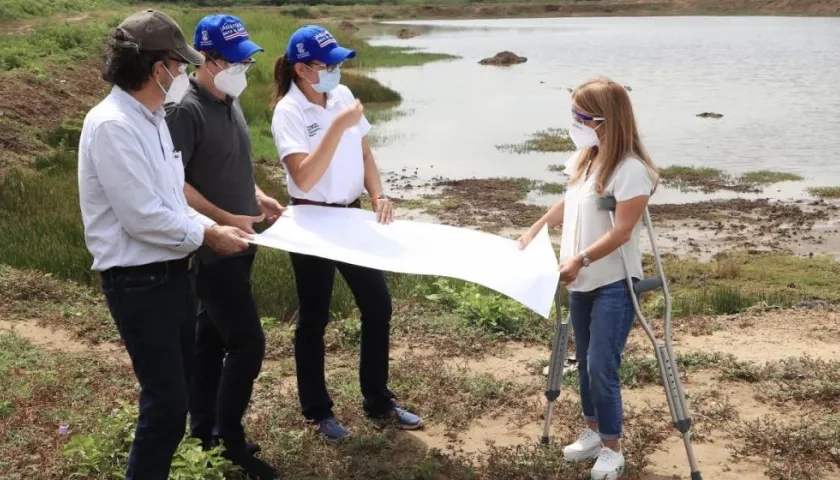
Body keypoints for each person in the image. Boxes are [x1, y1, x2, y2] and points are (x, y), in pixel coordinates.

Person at [77, 9, 252, 480]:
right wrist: (210, 233)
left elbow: (171, 198)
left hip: (175, 276)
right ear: (158, 69)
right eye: (178, 66)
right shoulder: (113, 125)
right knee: (166, 406)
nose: (181, 75)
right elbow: (142, 218)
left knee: (176, 397)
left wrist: (209, 224)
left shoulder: (152, 118)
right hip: (139, 283)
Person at [269, 25, 423, 442]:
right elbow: (302, 177)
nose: (336, 70)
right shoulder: (289, 111)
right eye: (328, 64)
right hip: (312, 221)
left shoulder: (340, 98)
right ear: (303, 69)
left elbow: (366, 153)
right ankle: (318, 412)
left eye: (339, 63)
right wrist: (336, 126)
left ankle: (378, 401)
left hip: (351, 217)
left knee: (377, 305)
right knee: (314, 316)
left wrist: (378, 194)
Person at [518, 77, 658, 480]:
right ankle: (594, 432)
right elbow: (570, 201)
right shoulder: (586, 157)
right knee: (582, 364)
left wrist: (580, 258)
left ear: (602, 120)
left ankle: (613, 448)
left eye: (579, 116)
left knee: (601, 366)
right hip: (580, 281)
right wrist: (536, 228)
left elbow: (623, 231)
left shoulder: (631, 170)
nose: (573, 123)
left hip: (614, 282)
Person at [164, 14, 284, 479]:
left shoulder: (229, 100)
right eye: (234, 61)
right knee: (248, 344)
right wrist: (225, 219)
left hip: (242, 241)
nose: (243, 68)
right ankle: (231, 441)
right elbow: (176, 185)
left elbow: (233, 162)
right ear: (207, 60)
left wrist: (256, 197)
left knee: (210, 341)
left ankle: (204, 430)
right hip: (212, 250)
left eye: (247, 60)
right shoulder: (184, 109)